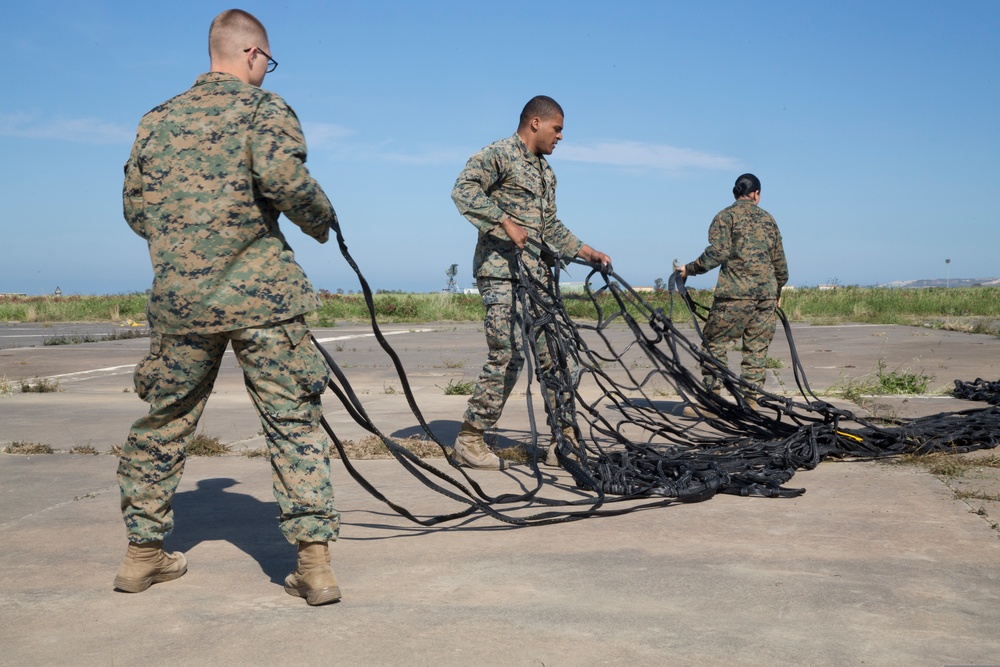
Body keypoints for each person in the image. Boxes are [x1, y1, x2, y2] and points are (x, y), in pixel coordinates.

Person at [115, 9, 342, 606]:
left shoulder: (155, 121)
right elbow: (287, 184)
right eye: (266, 60)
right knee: (293, 424)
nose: (266, 70)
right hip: (263, 298)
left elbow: (136, 210)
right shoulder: (263, 110)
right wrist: (323, 221)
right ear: (250, 54)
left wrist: (186, 241)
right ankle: (314, 567)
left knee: (164, 423)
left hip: (182, 303)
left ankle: (141, 556)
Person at [451, 95, 611, 469]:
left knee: (555, 354)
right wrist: (503, 222)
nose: (560, 137)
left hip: (537, 275)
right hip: (500, 272)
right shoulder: (499, 154)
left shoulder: (545, 172)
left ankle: (565, 439)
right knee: (507, 353)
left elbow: (550, 227)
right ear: (536, 123)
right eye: (557, 129)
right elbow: (463, 190)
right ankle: (471, 438)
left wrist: (588, 252)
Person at [678, 173, 788, 411]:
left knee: (714, 343)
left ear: (735, 193)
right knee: (756, 349)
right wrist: (777, 290)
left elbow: (717, 253)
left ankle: (712, 402)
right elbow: (780, 261)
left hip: (734, 296)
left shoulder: (725, 216)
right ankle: (752, 402)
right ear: (756, 194)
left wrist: (688, 269)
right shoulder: (768, 219)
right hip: (765, 297)